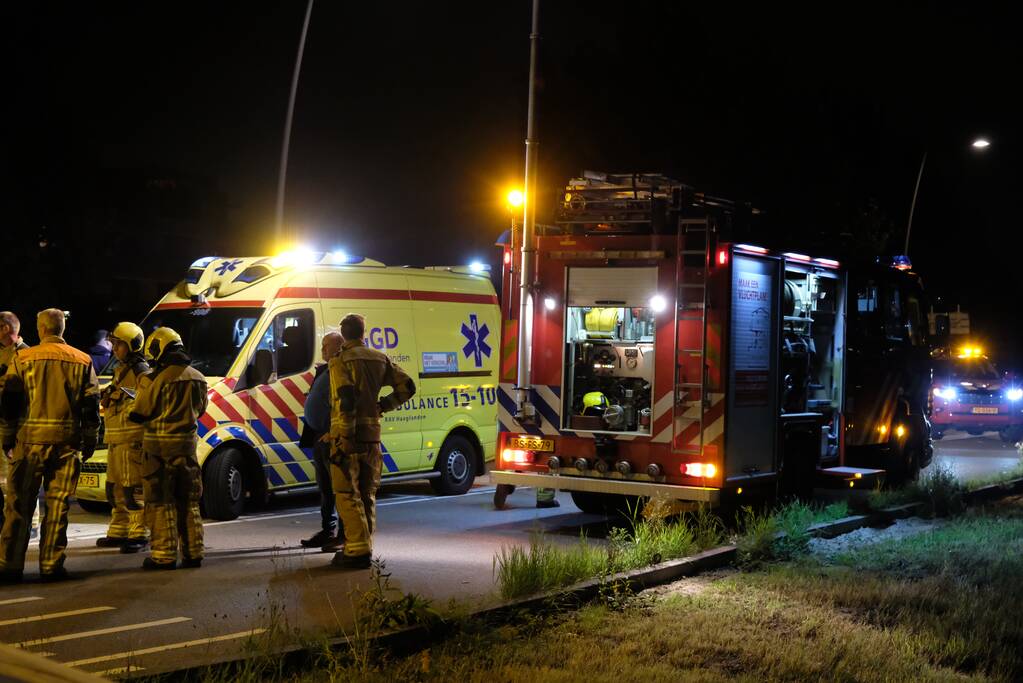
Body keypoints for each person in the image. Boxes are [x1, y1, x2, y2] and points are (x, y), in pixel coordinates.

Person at [0, 309, 99, 583]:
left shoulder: (23, 358)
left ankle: (9, 565)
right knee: (58, 506)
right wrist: (90, 439)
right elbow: (91, 406)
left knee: (18, 505)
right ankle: (51, 565)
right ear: (62, 329)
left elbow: (10, 403)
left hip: (29, 443)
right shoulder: (82, 360)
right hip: (67, 445)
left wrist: (7, 439)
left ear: (41, 329)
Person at [329, 313, 416, 570]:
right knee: (367, 493)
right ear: (362, 333)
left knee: (347, 493)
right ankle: (364, 545)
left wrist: (345, 437)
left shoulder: (340, 360)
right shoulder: (380, 358)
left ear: (343, 334)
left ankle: (356, 550)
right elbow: (408, 387)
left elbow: (346, 400)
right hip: (372, 437)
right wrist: (384, 405)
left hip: (351, 437)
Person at [128, 327, 208, 570]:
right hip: (187, 450)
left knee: (161, 502)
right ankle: (194, 553)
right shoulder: (198, 377)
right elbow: (201, 410)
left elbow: (139, 412)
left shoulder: (155, 379)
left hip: (159, 451)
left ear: (159, 349)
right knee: (189, 502)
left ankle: (164, 556)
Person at [95, 323, 151, 553]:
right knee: (114, 488)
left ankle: (139, 532)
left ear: (131, 345)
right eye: (114, 343)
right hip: (116, 438)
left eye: (118, 344)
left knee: (133, 489)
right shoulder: (121, 370)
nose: (114, 348)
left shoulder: (141, 371)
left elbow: (146, 402)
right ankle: (119, 529)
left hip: (132, 439)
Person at [300, 331, 344, 552]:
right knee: (325, 488)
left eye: (327, 345)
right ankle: (328, 530)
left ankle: (343, 535)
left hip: (332, 436)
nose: (322, 349)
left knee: (340, 488)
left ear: (339, 347)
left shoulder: (342, 369)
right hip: (319, 436)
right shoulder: (326, 369)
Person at [0, 312, 30, 532]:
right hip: (3, 426)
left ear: (5, 328)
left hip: (18, 429)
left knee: (16, 481)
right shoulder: (3, 354)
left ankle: (25, 526)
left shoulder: (26, 356)